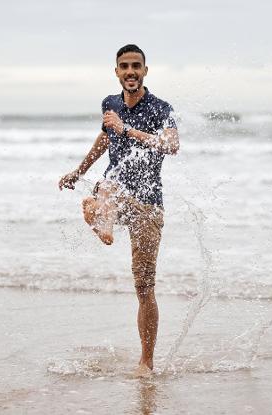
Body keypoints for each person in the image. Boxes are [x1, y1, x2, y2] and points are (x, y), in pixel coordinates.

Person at [58, 44, 179, 377]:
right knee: (109, 184)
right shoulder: (109, 104)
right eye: (124, 66)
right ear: (116, 72)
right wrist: (78, 172)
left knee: (144, 287)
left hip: (148, 203)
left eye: (135, 66)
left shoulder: (160, 108)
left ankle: (146, 362)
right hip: (117, 191)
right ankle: (103, 219)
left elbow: (171, 145)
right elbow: (104, 140)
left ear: (145, 71)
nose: (130, 71)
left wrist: (128, 130)